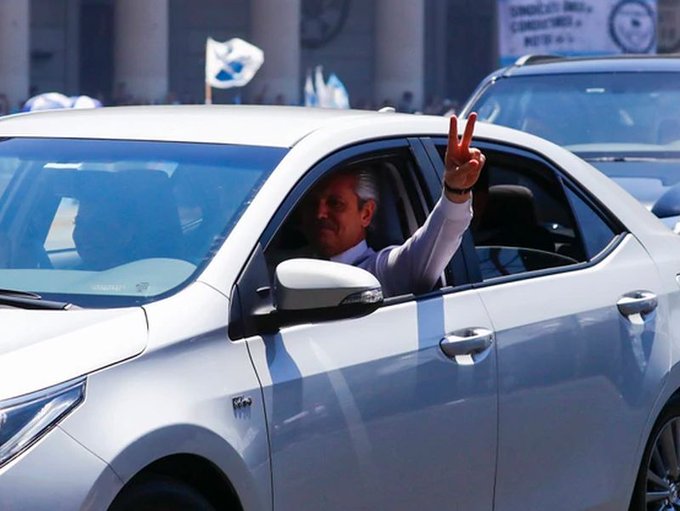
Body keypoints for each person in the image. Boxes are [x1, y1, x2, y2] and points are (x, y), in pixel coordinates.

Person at [300, 114, 485, 297]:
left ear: (366, 213)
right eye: (312, 203)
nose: (320, 213)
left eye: (335, 203)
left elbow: (433, 242)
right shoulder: (289, 268)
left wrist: (454, 192)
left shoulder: (380, 273)